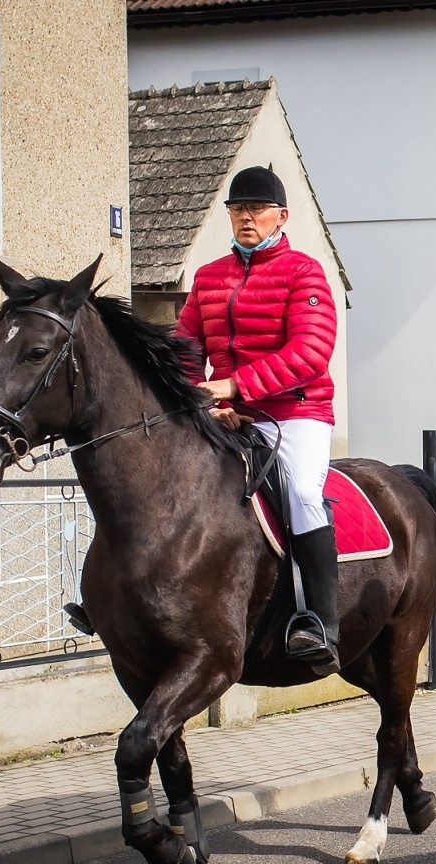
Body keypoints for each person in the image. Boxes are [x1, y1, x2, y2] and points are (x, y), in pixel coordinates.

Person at [178, 166, 343, 671]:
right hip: (228, 416)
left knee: (301, 493)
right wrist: (203, 401)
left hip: (296, 412)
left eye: (256, 208)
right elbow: (184, 349)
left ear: (281, 216)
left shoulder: (304, 272)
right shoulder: (208, 278)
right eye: (236, 208)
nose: (246, 216)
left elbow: (311, 351)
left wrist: (234, 387)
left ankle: (322, 623)